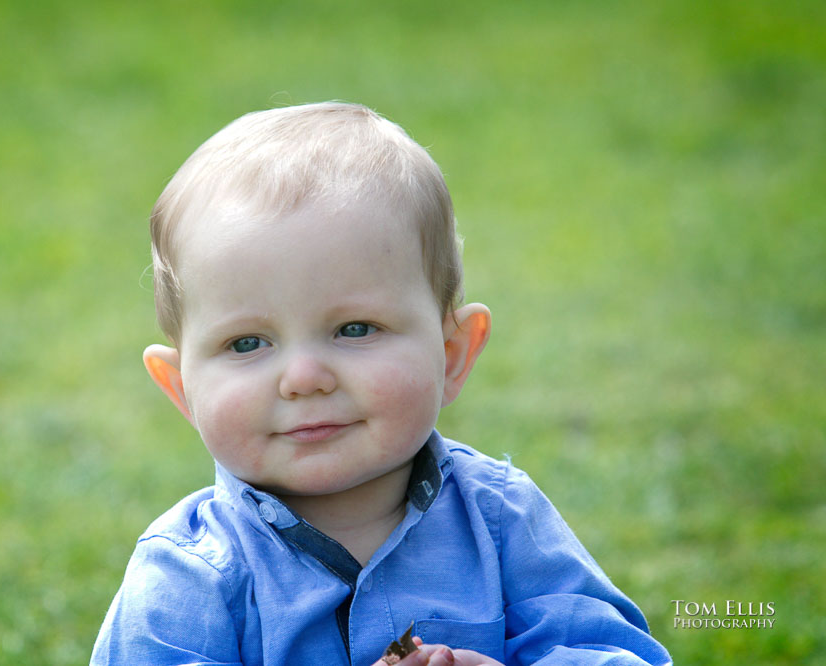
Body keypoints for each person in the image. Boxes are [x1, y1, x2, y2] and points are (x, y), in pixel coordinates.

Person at [91, 102, 671, 666]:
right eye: (247, 343)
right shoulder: (190, 574)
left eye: (355, 329)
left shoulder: (500, 519)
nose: (304, 378)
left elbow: (607, 652)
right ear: (182, 388)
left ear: (452, 355)